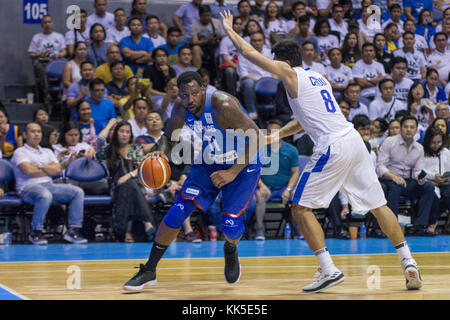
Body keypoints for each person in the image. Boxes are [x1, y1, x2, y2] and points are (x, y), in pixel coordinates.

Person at [220, 10, 422, 292]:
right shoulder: (317, 77)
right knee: (379, 206)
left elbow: (252, 54)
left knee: (301, 208)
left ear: (284, 62)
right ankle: (409, 262)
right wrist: (277, 135)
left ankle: (328, 269)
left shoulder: (289, 73)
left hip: (333, 146)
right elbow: (304, 119)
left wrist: (230, 32)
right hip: (352, 140)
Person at [122, 71, 265, 290]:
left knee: (231, 226)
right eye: (184, 95)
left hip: (244, 164)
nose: (190, 99)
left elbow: (257, 137)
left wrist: (232, 173)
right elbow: (169, 138)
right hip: (210, 160)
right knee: (177, 211)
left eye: (194, 93)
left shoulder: (223, 104)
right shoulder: (181, 107)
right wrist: (158, 154)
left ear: (203, 89)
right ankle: (149, 269)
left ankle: (230, 247)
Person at [11, 122, 87, 245]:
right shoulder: (20, 152)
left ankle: (73, 231)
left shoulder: (47, 151)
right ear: (25, 134)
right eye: (33, 131)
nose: (36, 134)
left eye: (39, 131)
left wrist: (39, 166)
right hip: (28, 188)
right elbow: (28, 171)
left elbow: (57, 170)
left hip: (49, 185)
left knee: (77, 192)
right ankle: (36, 232)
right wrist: (47, 169)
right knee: (45, 195)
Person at [96, 120, 156, 243]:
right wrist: (110, 125)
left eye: (127, 132)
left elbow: (141, 169)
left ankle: (123, 230)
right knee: (130, 186)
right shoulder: (110, 150)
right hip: (116, 187)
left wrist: (127, 176)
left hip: (136, 184)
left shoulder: (135, 149)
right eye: (121, 131)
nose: (124, 134)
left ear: (130, 135)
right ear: (116, 133)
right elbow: (99, 141)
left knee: (130, 185)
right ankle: (147, 222)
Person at [377, 116, 437, 237]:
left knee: (429, 187)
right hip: (388, 178)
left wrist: (420, 178)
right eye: (406, 127)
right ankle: (392, 227)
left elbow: (417, 171)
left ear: (416, 130)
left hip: (407, 181)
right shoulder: (390, 142)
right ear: (401, 128)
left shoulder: (419, 148)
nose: (408, 130)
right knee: (396, 186)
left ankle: (420, 226)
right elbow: (380, 166)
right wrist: (393, 177)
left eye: (412, 127)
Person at [254, 119, 300, 241]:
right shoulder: (260, 149)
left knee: (296, 195)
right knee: (259, 195)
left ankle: (297, 228)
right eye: (269, 132)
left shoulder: (291, 150)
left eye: (276, 131)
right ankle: (259, 228)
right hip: (266, 188)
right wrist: (262, 186)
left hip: (284, 188)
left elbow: (295, 172)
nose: (272, 134)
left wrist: (289, 189)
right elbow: (253, 171)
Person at [28, 15, 66, 104]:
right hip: (42, 61)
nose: (47, 24)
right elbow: (31, 54)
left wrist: (59, 55)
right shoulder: (36, 37)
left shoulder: (59, 36)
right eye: (45, 22)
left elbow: (64, 51)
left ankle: (62, 94)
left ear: (52, 24)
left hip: (55, 60)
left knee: (66, 66)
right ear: (41, 25)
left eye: (49, 22)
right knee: (40, 67)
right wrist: (39, 54)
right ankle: (47, 93)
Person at [236, 31, 274, 120]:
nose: (257, 43)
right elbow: (243, 74)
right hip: (252, 80)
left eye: (260, 40)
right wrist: (259, 81)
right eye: (254, 41)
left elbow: (275, 69)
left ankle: (282, 112)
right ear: (250, 42)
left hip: (269, 79)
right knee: (248, 83)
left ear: (264, 41)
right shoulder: (243, 54)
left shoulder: (270, 53)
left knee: (282, 81)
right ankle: (252, 112)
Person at [422, 127, 450, 235]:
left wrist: (445, 178)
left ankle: (433, 220)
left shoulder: (446, 152)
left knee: (448, 195)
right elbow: (418, 170)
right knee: (433, 195)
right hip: (428, 181)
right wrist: (433, 178)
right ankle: (432, 222)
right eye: (433, 142)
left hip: (444, 182)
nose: (436, 145)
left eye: (439, 142)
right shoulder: (422, 152)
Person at [191, 4, 226, 79]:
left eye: (208, 15)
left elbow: (224, 36)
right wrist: (207, 41)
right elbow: (195, 41)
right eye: (204, 16)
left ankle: (220, 77)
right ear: (200, 15)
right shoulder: (195, 25)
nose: (207, 18)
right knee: (195, 49)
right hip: (203, 48)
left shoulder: (216, 22)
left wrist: (218, 37)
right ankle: (197, 75)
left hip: (216, 46)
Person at [219, 16, 242, 96]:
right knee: (230, 71)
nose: (238, 26)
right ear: (231, 25)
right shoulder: (225, 40)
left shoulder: (244, 39)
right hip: (230, 65)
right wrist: (235, 66)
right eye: (236, 24)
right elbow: (224, 58)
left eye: (240, 24)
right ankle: (233, 95)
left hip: (242, 65)